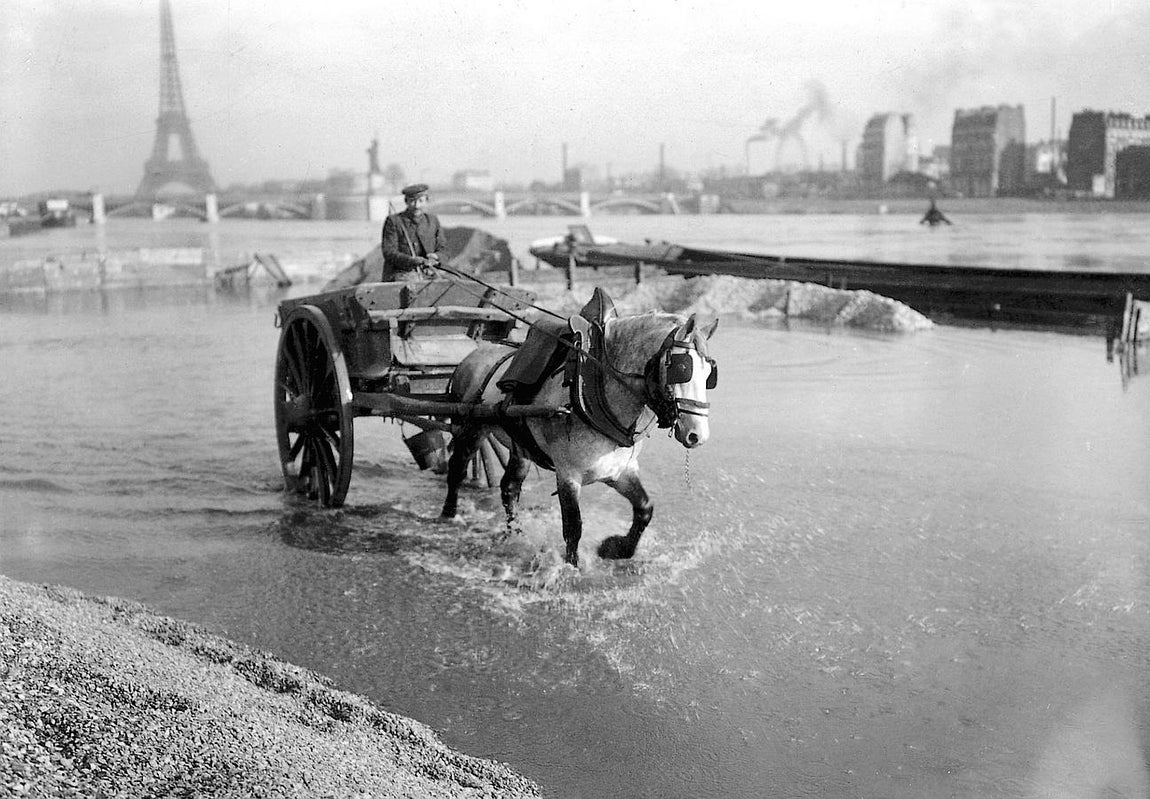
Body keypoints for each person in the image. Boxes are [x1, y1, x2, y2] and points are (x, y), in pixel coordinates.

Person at [380, 183, 448, 281]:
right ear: (406, 201)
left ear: (426, 201)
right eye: (412, 201)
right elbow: (389, 252)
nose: (417, 206)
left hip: (430, 272)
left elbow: (443, 249)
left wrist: (436, 257)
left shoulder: (433, 220)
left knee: (450, 283)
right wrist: (411, 261)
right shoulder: (394, 221)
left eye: (421, 201)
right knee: (412, 280)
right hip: (400, 273)